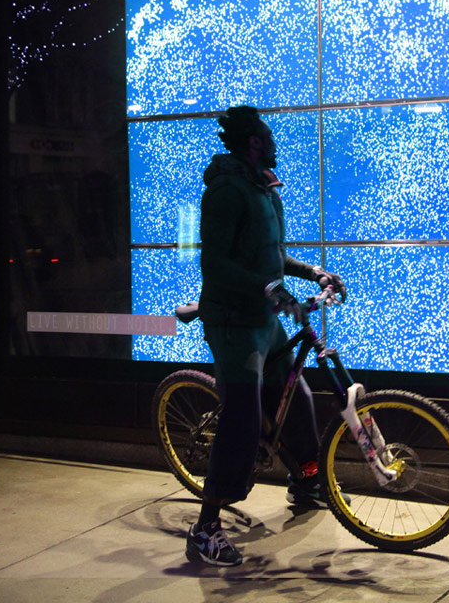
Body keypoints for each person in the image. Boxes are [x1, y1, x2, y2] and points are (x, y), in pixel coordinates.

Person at [186, 105, 345, 567]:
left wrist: (314, 272)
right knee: (242, 417)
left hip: (263, 315)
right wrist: (270, 289)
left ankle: (306, 480)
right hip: (234, 322)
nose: (274, 141)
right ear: (253, 141)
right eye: (267, 136)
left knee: (297, 397)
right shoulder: (226, 190)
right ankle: (206, 526)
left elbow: (272, 255)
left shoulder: (263, 186)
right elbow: (214, 264)